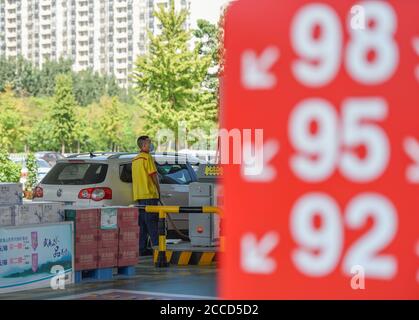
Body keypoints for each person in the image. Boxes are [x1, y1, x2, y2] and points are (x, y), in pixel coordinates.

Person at [132, 136, 161, 256]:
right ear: (144, 145)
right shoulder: (147, 158)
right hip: (149, 194)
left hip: (139, 195)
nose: (151, 144)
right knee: (152, 222)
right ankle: (157, 247)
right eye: (149, 143)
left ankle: (142, 248)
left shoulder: (135, 160)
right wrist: (158, 190)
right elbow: (153, 176)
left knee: (142, 224)